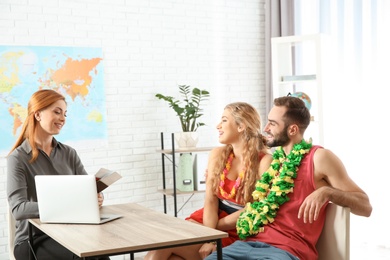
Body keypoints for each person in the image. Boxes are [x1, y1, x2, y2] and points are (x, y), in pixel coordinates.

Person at [205, 96, 373, 260]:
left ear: (292, 130)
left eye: (272, 123)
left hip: (286, 250)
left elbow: (365, 206)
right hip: (247, 244)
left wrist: (327, 192)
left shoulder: (319, 158)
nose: (265, 128)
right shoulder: (273, 162)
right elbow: (251, 202)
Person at [144, 102, 273, 260]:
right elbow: (211, 200)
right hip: (209, 222)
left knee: (165, 246)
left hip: (239, 230)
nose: (218, 126)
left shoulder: (265, 162)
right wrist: (209, 236)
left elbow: (255, 210)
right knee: (168, 253)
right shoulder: (218, 155)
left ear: (241, 126)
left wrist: (211, 234)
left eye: (224, 120)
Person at [6, 89, 108, 260]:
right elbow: (18, 209)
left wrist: (97, 196)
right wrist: (65, 205)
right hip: (33, 240)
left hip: (71, 231)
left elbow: (87, 188)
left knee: (101, 253)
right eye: (57, 112)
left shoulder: (69, 153)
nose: (63, 119)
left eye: (65, 114)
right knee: (86, 255)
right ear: (38, 114)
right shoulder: (18, 158)